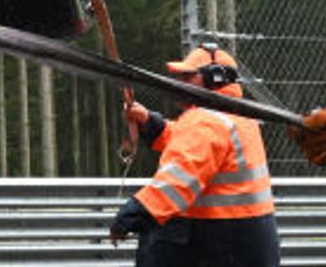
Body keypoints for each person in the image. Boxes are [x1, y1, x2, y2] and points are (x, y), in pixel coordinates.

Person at [108, 43, 280, 267]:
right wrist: (151, 123)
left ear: (214, 79)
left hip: (220, 243)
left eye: (188, 77)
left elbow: (177, 182)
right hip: (247, 241)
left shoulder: (204, 121)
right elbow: (197, 150)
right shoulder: (239, 116)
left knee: (159, 235)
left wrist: (132, 215)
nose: (179, 84)